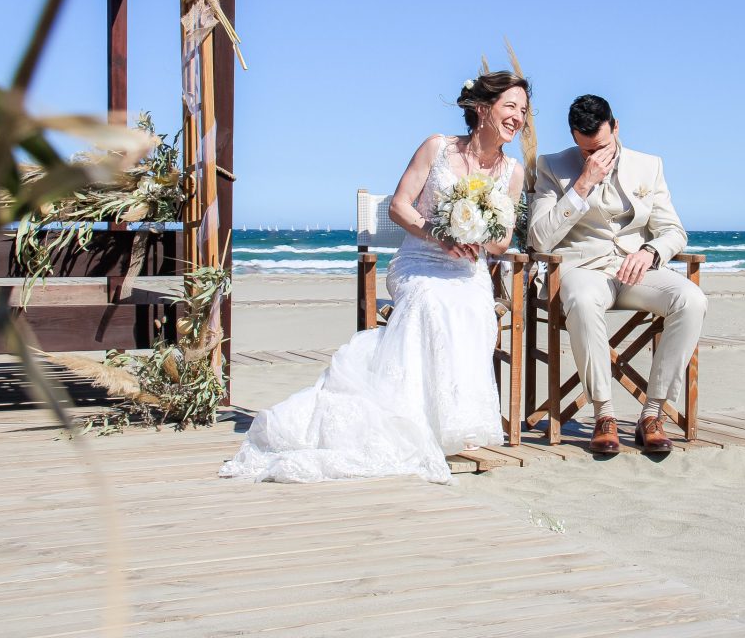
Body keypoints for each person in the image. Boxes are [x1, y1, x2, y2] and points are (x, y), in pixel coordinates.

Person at [220, 72, 529, 483]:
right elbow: (399, 206)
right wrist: (439, 233)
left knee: (472, 305)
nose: (518, 118)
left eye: (524, 111)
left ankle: (454, 422)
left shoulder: (513, 171)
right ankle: (414, 419)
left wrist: (477, 233)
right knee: (431, 302)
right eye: (510, 106)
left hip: (466, 268)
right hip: (419, 261)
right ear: (482, 108)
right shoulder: (437, 147)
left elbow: (502, 238)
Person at [527, 94, 706, 455]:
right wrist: (581, 184)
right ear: (574, 137)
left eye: (603, 147)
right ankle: (603, 414)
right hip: (581, 269)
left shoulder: (649, 165)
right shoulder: (551, 166)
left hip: (635, 270)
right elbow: (539, 237)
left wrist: (651, 251)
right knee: (581, 298)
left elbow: (674, 231)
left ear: (616, 127)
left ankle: (652, 414)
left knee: (691, 300)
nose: (596, 157)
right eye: (586, 150)